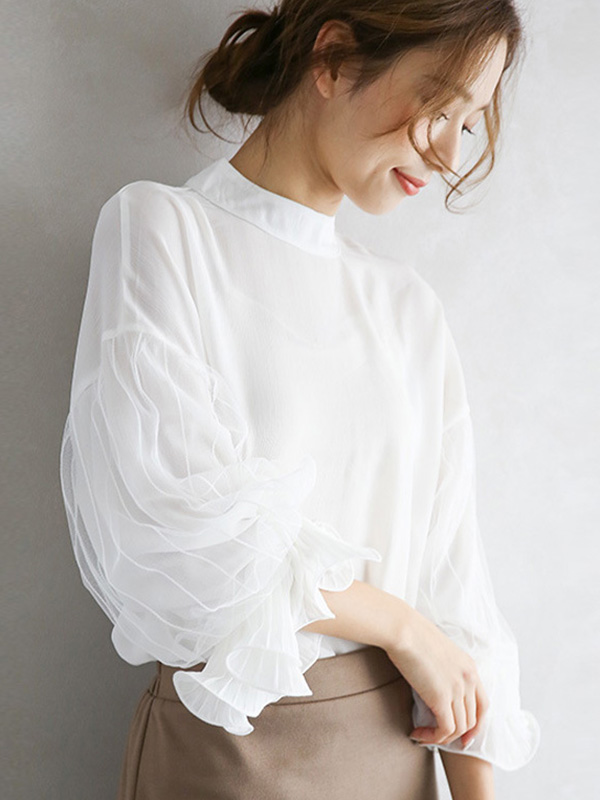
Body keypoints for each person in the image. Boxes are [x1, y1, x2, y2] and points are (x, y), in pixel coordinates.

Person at [59, 1, 541, 798]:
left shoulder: (407, 308)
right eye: (438, 106)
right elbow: (176, 535)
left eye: (469, 122)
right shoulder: (163, 230)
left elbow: (454, 585)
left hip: (399, 758)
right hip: (228, 753)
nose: (451, 151)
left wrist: (475, 782)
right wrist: (399, 626)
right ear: (334, 57)